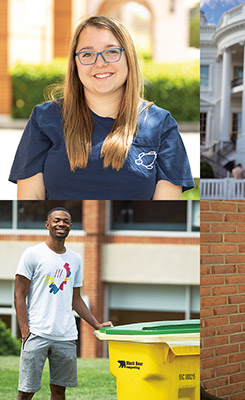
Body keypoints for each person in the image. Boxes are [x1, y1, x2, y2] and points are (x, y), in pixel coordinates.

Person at [9, 16, 193, 200]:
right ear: (75, 64)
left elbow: (164, 211)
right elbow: (30, 202)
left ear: (128, 57)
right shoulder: (44, 119)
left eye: (111, 52)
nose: (100, 63)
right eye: (87, 54)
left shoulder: (161, 125)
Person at [14, 207, 113, 400]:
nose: (61, 224)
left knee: (59, 392)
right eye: (57, 220)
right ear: (48, 224)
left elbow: (76, 299)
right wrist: (25, 331)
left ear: (70, 226)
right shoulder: (33, 254)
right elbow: (19, 294)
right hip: (37, 333)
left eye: (66, 221)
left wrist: (97, 324)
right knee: (26, 392)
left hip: (66, 336)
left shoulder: (75, 259)